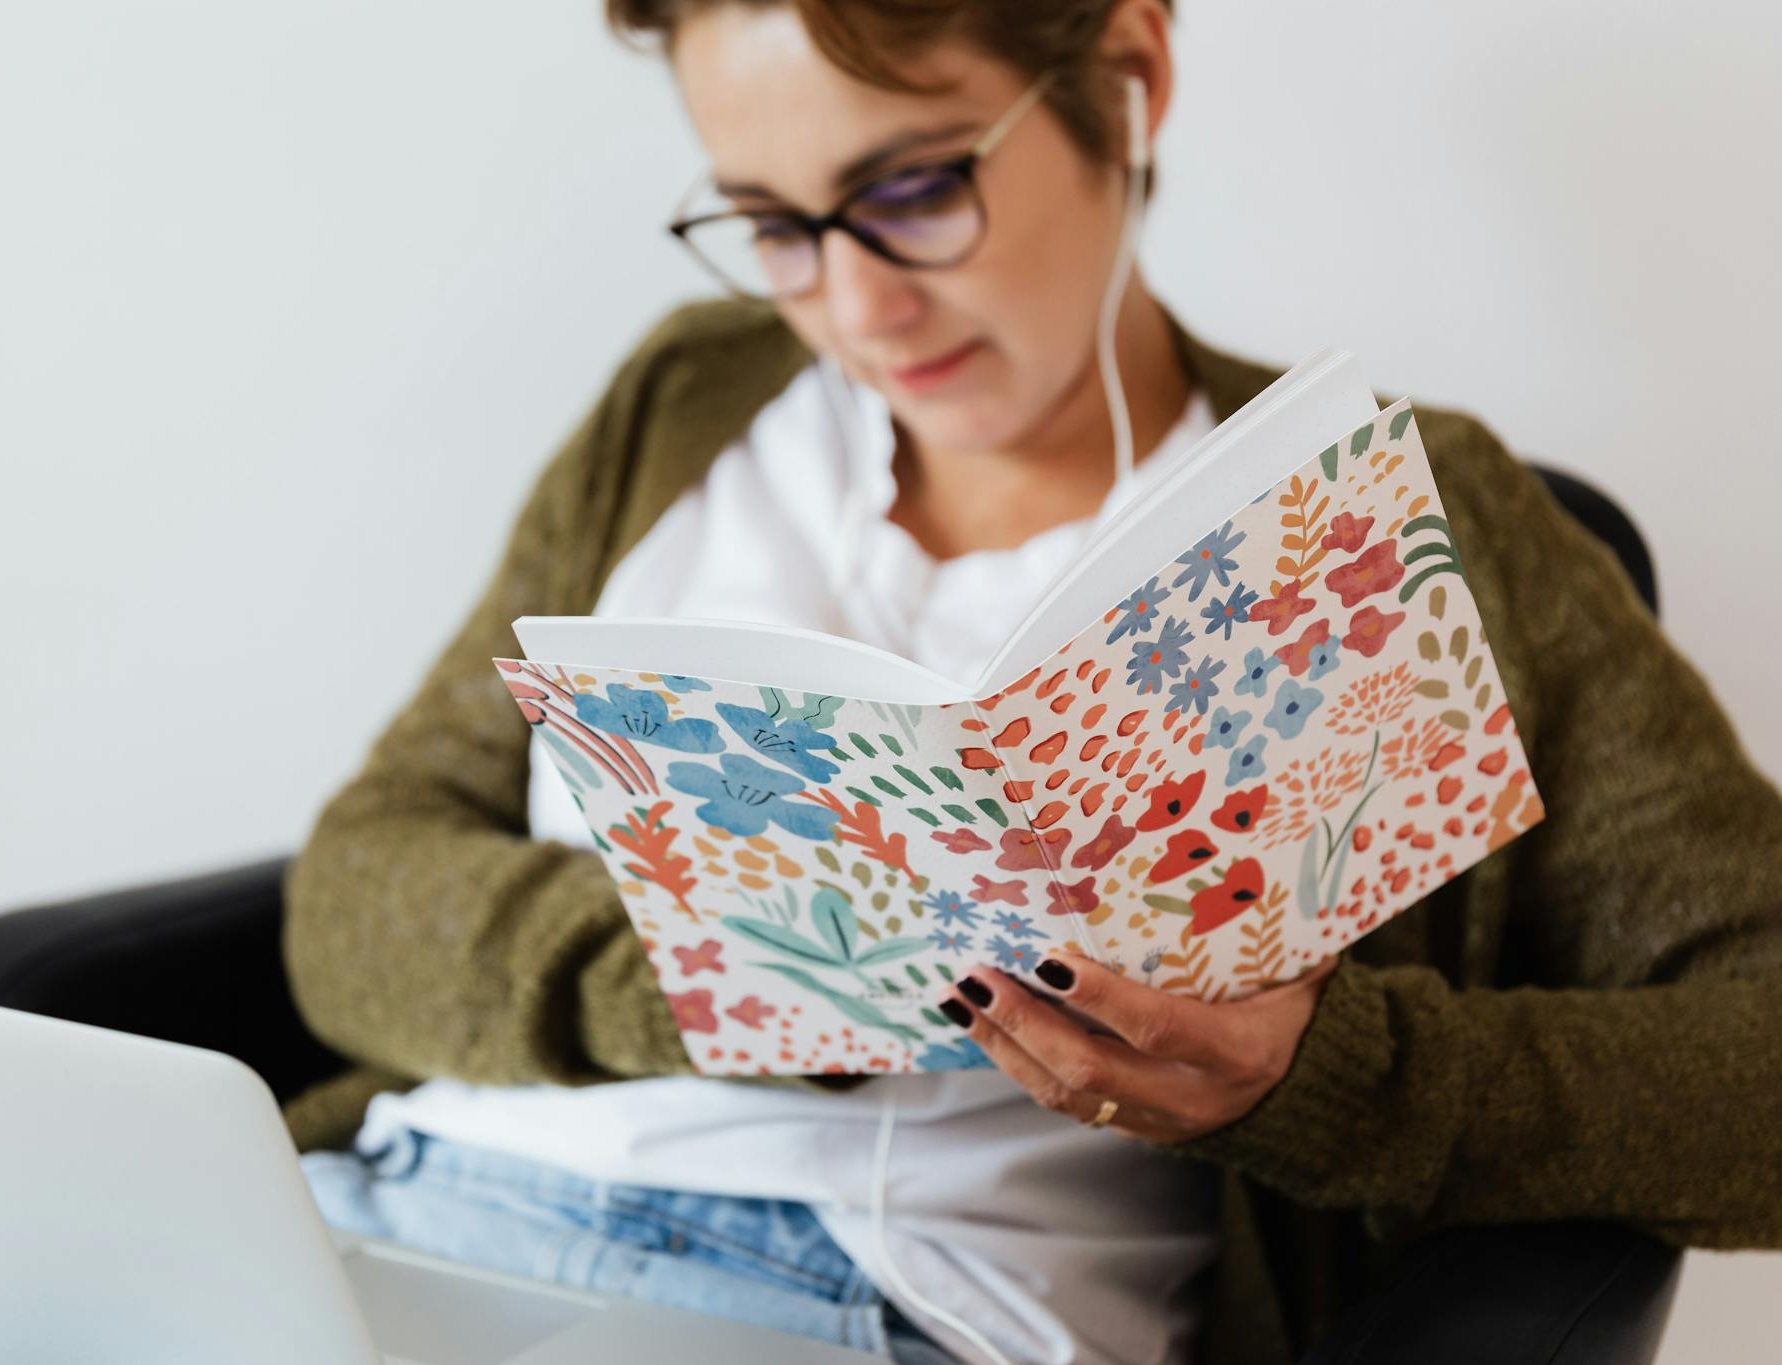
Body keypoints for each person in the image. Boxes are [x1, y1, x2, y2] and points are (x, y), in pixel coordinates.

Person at [282, 2, 1782, 1362]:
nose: (858, 310)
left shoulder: (1388, 517)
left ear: (1128, 77)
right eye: (773, 222)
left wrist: (1331, 1078)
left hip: (883, 1307)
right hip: (394, 1206)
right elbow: (353, 893)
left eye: (914, 190)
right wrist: (748, 965)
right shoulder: (687, 402)